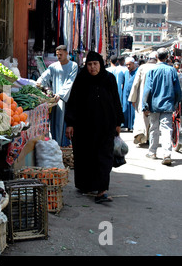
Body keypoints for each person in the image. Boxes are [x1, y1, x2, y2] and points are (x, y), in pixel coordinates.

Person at [65, 51, 124, 203]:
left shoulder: (109, 78)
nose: (92, 67)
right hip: (84, 127)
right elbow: (73, 102)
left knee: (104, 157)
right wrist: (70, 123)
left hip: (105, 126)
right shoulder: (81, 79)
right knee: (85, 156)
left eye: (95, 64)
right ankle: (85, 184)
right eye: (89, 64)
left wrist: (118, 122)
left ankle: (102, 190)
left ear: (100, 64)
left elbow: (116, 100)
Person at [142, 48, 182, 166]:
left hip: (154, 104)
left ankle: (152, 152)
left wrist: (145, 105)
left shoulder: (152, 70)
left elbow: (147, 90)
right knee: (166, 129)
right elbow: (177, 90)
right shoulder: (172, 71)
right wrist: (177, 102)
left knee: (154, 127)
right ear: (166, 57)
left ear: (157, 57)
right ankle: (166, 154)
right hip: (168, 105)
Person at [36, 45, 78, 146]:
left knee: (65, 124)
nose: (59, 57)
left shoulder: (73, 66)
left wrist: (60, 95)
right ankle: (56, 146)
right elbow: (44, 77)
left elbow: (69, 82)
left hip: (68, 99)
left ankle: (64, 147)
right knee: (54, 124)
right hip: (55, 99)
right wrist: (38, 83)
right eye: (57, 55)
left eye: (61, 54)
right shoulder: (53, 66)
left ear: (66, 53)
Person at [127, 51, 158, 145]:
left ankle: (141, 136)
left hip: (142, 96)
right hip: (156, 97)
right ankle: (149, 138)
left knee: (141, 117)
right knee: (153, 119)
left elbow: (135, 84)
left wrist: (133, 98)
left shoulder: (142, 67)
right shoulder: (159, 67)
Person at [122, 57, 138, 131]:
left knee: (133, 111)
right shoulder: (126, 72)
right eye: (127, 65)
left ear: (133, 63)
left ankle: (133, 125)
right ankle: (127, 125)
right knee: (126, 109)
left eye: (130, 64)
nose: (128, 66)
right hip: (126, 94)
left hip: (134, 94)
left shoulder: (137, 72)